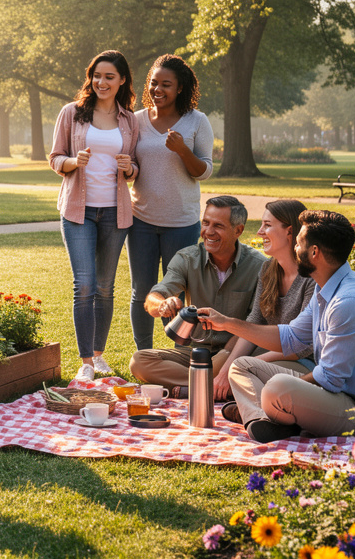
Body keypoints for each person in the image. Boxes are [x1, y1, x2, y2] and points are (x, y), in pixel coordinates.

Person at [199, 210, 355, 442]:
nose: (294, 250)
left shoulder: (348, 302)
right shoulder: (324, 287)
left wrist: (276, 391)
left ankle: (270, 414)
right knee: (242, 366)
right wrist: (227, 323)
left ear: (314, 252)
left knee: (277, 389)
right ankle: (265, 420)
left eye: (298, 244)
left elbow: (329, 378)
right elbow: (291, 337)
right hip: (335, 399)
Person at [49, 49, 140, 381]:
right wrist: (74, 162)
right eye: (96, 76)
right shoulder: (72, 113)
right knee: (84, 285)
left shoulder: (129, 119)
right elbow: (56, 157)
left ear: (122, 81)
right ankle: (85, 362)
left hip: (115, 212)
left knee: (105, 286)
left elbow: (135, 167)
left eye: (109, 77)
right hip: (78, 211)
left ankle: (99, 356)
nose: (101, 82)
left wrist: (131, 168)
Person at [128, 195, 261, 393]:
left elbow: (255, 322)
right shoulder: (188, 258)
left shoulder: (259, 265)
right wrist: (162, 304)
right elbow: (155, 296)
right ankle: (206, 385)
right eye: (205, 223)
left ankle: (195, 384)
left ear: (238, 230)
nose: (208, 232)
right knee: (139, 362)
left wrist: (225, 355)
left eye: (218, 226)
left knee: (227, 363)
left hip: (234, 350)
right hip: (196, 353)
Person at [127, 54, 214, 351]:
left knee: (175, 291)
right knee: (142, 291)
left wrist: (182, 151)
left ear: (180, 88)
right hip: (141, 220)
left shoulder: (197, 121)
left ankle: (177, 353)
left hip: (181, 222)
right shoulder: (136, 121)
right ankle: (145, 353)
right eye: (153, 83)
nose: (157, 89)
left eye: (166, 84)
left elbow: (204, 171)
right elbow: (133, 169)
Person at [213, 200, 316, 407]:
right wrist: (227, 367)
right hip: (266, 355)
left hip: (304, 364)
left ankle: (215, 391)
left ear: (289, 231)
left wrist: (240, 365)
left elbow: (303, 345)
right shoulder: (268, 269)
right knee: (217, 367)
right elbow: (254, 322)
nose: (260, 232)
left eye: (267, 225)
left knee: (240, 371)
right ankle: (218, 389)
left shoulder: (312, 278)